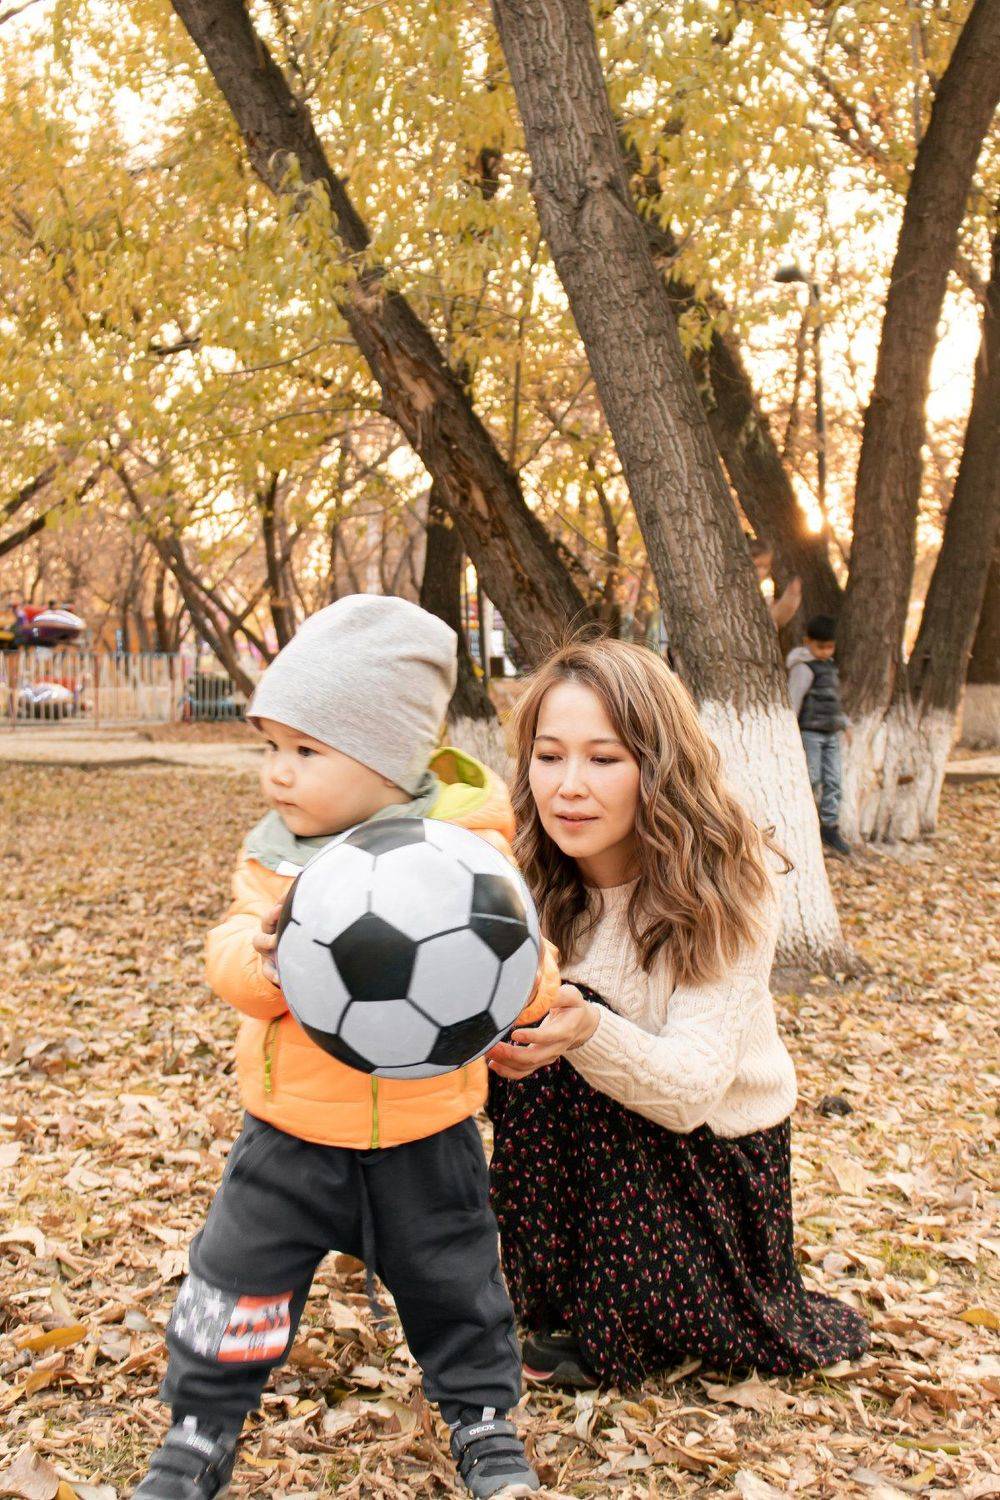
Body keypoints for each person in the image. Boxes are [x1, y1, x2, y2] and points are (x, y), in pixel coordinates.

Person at [133, 595, 554, 1500]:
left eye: (306, 750)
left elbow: (522, 957)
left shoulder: (466, 855)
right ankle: (198, 1431)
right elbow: (228, 949)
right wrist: (265, 962)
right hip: (289, 1133)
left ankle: (483, 1421)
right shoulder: (276, 856)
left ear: (389, 758)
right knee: (234, 1283)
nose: (278, 774)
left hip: (426, 1134)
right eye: (270, 748)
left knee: (458, 1285)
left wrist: (530, 987)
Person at [485, 638, 869, 1389]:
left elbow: (691, 1091)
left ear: (657, 766)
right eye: (548, 756)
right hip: (586, 1152)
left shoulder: (727, 880)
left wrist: (588, 1029)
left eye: (604, 759)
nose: (568, 787)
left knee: (577, 1013)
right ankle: (562, 1294)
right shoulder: (520, 871)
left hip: (712, 1161)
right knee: (522, 1016)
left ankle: (638, 1317)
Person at [786, 614, 851, 857]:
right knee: (812, 778)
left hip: (831, 734)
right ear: (807, 642)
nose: (825, 652)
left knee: (834, 780)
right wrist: (790, 732)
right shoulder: (803, 668)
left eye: (830, 647)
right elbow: (794, 700)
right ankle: (807, 822)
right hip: (810, 733)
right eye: (820, 646)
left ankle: (830, 827)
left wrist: (844, 723)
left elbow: (833, 699)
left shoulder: (830, 667)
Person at [748, 536, 802, 630]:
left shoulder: (765, 589)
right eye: (758, 566)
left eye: (766, 567)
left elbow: (773, 616)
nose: (762, 571)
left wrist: (790, 597)